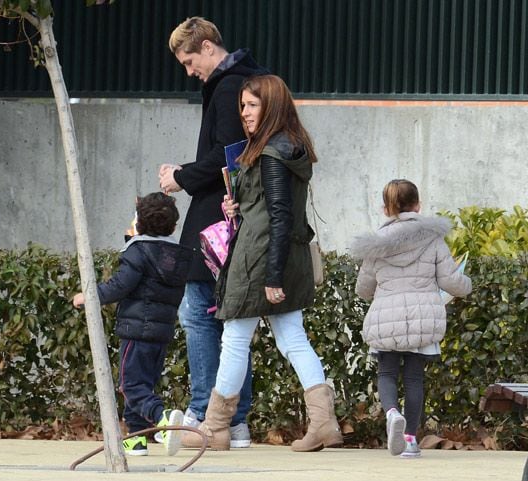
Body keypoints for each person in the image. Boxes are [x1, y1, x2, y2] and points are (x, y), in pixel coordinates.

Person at [179, 74, 344, 452]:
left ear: (271, 107)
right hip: (284, 254)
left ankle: (215, 427)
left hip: (259, 258)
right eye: (242, 106)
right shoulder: (287, 147)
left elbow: (280, 214)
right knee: (293, 338)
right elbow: (274, 209)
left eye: (252, 105)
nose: (244, 113)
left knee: (236, 338)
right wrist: (236, 206)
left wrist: (271, 276)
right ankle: (323, 423)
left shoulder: (270, 153)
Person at [158, 17, 268, 448]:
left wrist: (180, 176)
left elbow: (227, 158)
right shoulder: (250, 82)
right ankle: (235, 421)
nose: (189, 72)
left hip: (214, 219)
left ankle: (205, 415)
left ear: (207, 47)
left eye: (189, 61)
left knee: (200, 314)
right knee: (232, 323)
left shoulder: (226, 89)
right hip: (236, 216)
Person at [351, 179, 472, 458]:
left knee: (386, 374)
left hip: (386, 319)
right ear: (418, 205)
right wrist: (468, 284)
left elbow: (363, 289)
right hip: (422, 319)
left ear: (385, 209)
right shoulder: (433, 239)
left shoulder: (375, 244)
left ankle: (392, 413)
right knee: (415, 378)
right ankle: (410, 439)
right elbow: (451, 281)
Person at [72, 192, 190, 457]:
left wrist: (89, 297)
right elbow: (151, 266)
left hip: (137, 331)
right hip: (161, 331)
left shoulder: (138, 252)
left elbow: (120, 285)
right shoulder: (175, 254)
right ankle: (137, 438)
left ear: (139, 222)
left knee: (131, 385)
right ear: (173, 225)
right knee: (142, 383)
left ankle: (162, 415)